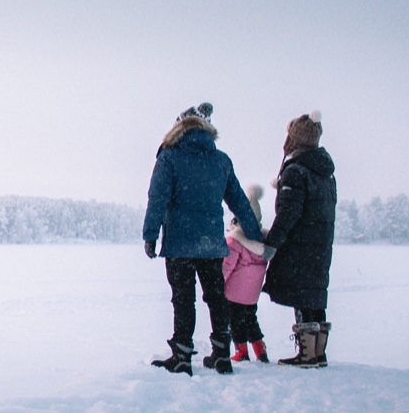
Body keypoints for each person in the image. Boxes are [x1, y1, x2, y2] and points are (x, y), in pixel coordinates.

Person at [143, 103, 264, 375]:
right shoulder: (220, 160)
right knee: (216, 297)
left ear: (178, 128)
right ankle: (221, 354)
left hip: (179, 243)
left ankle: (182, 356)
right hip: (210, 243)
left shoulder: (170, 157)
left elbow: (157, 199)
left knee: (184, 299)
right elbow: (239, 202)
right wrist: (254, 235)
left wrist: (150, 235)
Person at [262, 111, 336, 367]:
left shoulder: (296, 170)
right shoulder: (325, 173)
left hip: (300, 245)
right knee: (314, 295)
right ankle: (318, 353)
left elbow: (288, 213)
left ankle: (306, 354)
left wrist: (272, 242)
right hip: (320, 246)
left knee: (303, 296)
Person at [222, 184, 270, 363]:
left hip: (234, 292)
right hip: (252, 294)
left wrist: (219, 282)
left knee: (235, 322)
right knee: (251, 319)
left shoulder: (234, 241)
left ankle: (241, 351)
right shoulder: (263, 244)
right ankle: (260, 350)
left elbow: (227, 265)